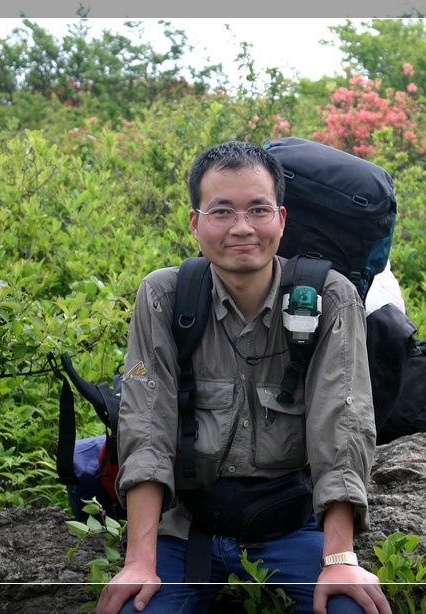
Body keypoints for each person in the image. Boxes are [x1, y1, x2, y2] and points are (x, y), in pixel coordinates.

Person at [96, 141, 390, 614]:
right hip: (188, 529)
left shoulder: (329, 297)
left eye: (258, 209)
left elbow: (343, 423)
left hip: (293, 527)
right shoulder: (164, 296)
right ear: (195, 223)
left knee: (349, 609)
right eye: (221, 211)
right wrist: (139, 561)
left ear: (281, 219)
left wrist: (339, 559)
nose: (241, 227)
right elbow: (147, 428)